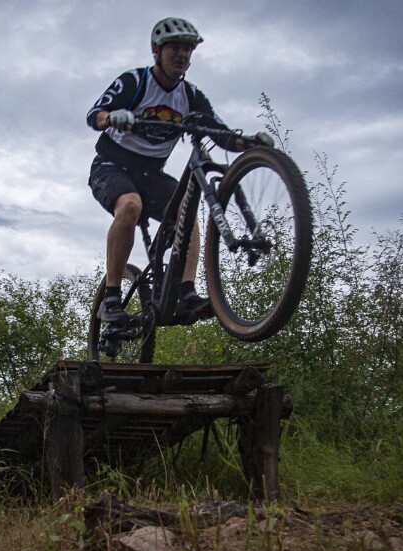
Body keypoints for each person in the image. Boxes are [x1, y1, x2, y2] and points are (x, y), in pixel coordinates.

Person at [87, 17, 274, 324]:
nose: (182, 55)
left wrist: (251, 143)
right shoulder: (135, 82)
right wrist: (113, 117)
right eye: (174, 48)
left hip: (151, 174)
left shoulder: (190, 96)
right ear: (156, 51)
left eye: (187, 50)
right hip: (111, 166)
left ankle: (187, 292)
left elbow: (219, 132)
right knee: (130, 204)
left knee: (188, 213)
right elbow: (94, 115)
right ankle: (111, 297)